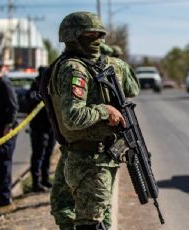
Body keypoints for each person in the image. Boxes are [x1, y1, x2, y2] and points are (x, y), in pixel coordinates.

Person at [49, 11, 140, 230]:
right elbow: (73, 116)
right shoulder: (74, 67)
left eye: (100, 35)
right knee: (74, 212)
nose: (97, 40)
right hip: (82, 155)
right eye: (90, 35)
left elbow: (132, 89)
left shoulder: (87, 66)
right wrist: (104, 109)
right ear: (72, 37)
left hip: (95, 157)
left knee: (91, 221)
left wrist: (115, 71)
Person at [0, 59, 19, 209]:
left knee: (3, 163)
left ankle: (4, 197)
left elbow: (14, 108)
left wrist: (8, 127)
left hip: (6, 132)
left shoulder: (5, 84)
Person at [27, 66, 56, 192]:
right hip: (39, 128)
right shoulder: (35, 85)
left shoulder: (51, 84)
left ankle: (45, 179)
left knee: (48, 153)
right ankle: (35, 183)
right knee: (38, 155)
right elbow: (31, 100)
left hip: (50, 127)